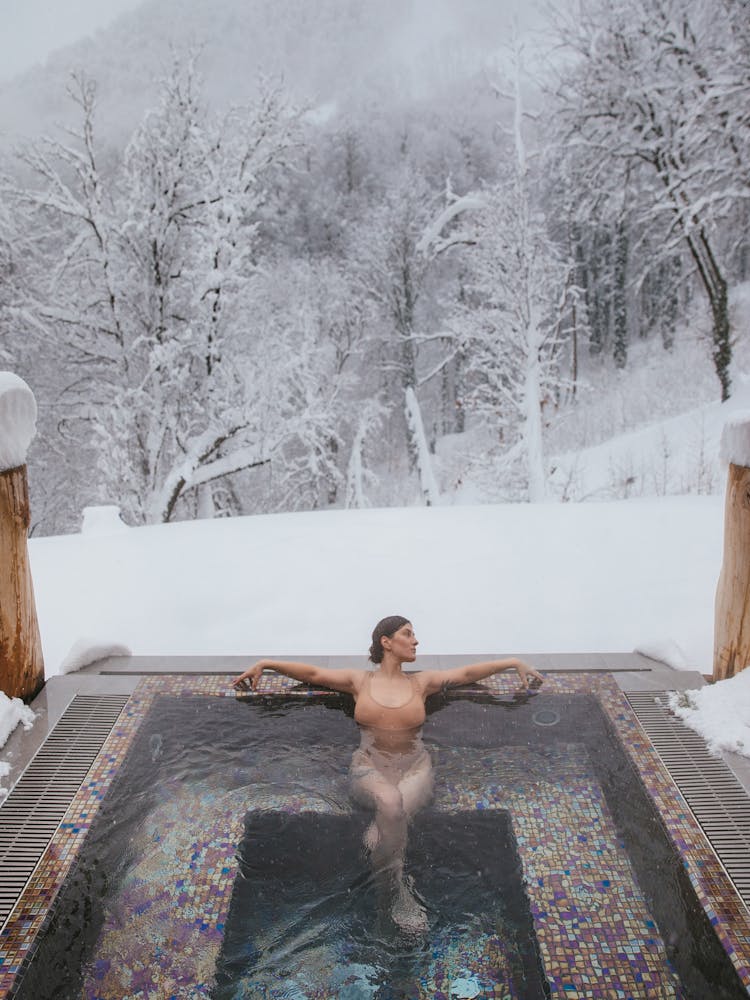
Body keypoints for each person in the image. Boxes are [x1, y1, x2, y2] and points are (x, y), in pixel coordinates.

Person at [232, 615, 543, 932]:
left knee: (389, 817)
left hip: (415, 767)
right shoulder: (359, 681)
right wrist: (266, 663)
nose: (416, 641)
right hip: (370, 765)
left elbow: (465, 674)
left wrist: (512, 662)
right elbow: (312, 673)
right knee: (391, 804)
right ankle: (396, 894)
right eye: (408, 634)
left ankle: (382, 848)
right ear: (386, 642)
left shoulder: (421, 683)